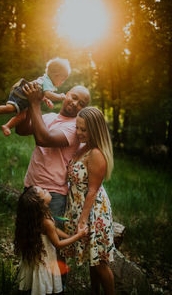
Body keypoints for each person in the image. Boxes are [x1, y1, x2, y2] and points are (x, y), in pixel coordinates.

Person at [16, 83, 90, 221]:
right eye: (74, 97)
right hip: (30, 186)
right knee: (24, 234)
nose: (74, 103)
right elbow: (21, 130)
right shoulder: (49, 117)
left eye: (81, 103)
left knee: (49, 240)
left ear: (83, 109)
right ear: (66, 94)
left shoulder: (74, 128)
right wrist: (26, 103)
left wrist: (35, 103)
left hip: (53, 194)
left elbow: (43, 139)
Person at [61, 107, 115, 295]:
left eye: (84, 129)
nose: (79, 133)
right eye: (78, 128)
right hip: (78, 206)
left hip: (93, 211)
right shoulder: (84, 147)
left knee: (99, 261)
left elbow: (92, 190)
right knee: (92, 259)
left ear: (95, 129)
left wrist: (83, 220)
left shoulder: (97, 154)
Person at [14, 185, 88, 295]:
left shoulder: (38, 216)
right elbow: (58, 244)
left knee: (33, 282)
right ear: (40, 203)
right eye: (43, 192)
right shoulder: (46, 222)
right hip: (45, 260)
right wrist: (79, 236)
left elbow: (55, 230)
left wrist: (69, 237)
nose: (46, 189)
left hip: (35, 256)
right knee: (43, 284)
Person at [0, 57, 71, 136]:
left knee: (23, 116)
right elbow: (48, 94)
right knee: (10, 108)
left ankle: (7, 126)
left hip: (26, 99)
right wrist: (60, 96)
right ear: (56, 76)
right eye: (62, 80)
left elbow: (42, 93)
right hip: (21, 94)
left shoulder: (46, 82)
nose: (62, 82)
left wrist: (46, 100)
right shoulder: (47, 81)